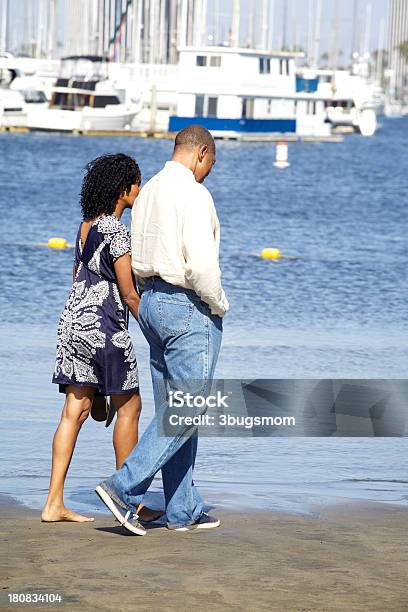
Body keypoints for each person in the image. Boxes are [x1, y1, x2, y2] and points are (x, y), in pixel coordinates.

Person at [95, 125, 229, 535]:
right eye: (209, 165)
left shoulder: (148, 190)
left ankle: (182, 508)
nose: (207, 173)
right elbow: (203, 267)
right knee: (187, 410)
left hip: (150, 302)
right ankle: (123, 487)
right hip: (186, 306)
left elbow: (134, 252)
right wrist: (219, 304)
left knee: (174, 409)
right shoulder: (193, 193)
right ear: (201, 153)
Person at [42, 153, 162, 524]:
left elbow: (78, 275)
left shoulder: (85, 227)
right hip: (106, 328)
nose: (140, 191)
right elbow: (129, 294)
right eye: (137, 184)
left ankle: (53, 504)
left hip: (73, 323)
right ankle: (128, 500)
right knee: (131, 408)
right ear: (122, 189)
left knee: (72, 413)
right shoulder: (117, 232)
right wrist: (158, 332)